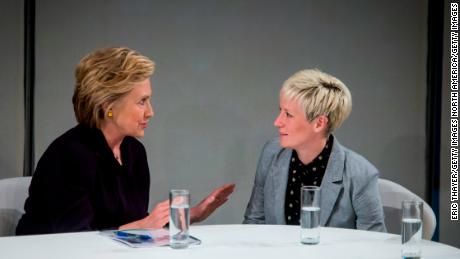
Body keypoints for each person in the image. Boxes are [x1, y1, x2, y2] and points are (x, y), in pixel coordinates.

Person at [16, 47, 235, 235]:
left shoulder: (134, 152)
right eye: (142, 102)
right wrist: (141, 227)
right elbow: (76, 240)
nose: (151, 112)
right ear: (107, 106)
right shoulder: (68, 155)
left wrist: (192, 214)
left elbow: (130, 223)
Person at [243, 69, 386, 232]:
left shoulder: (361, 174)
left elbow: (373, 244)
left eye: (288, 114)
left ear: (319, 123)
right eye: (280, 111)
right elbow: (254, 223)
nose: (277, 122)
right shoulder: (271, 153)